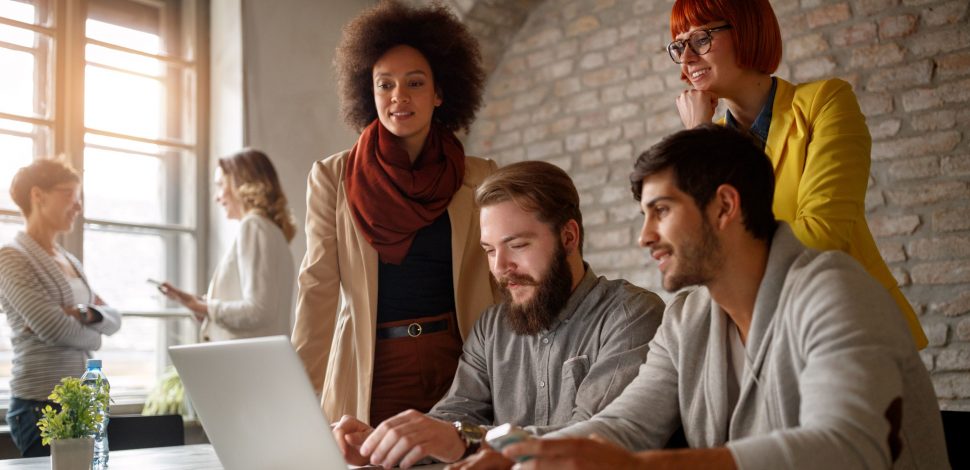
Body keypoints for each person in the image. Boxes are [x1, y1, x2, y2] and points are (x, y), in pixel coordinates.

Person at [492, 126, 949, 470]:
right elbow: (625, 427)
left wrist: (641, 468)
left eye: (662, 212)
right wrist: (516, 453)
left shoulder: (834, 291)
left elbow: (848, 446)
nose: (645, 237)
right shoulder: (684, 322)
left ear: (725, 206)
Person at [330, 161, 665, 469]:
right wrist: (382, 445)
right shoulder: (491, 328)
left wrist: (467, 439)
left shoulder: (631, 315)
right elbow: (451, 420)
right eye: (490, 251)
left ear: (568, 238)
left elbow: (592, 437)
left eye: (517, 245)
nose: (500, 268)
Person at [667, 0, 926, 348]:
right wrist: (699, 139)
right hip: (759, 343)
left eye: (700, 39)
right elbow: (696, 252)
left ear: (746, 31)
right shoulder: (706, 139)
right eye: (679, 46)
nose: (686, 59)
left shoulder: (825, 102)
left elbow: (822, 234)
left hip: (851, 331)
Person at [292, 1, 499, 426]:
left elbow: (501, 281)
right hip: (372, 366)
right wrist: (296, 390)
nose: (398, 97)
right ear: (369, 93)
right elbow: (318, 286)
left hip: (464, 365)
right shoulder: (333, 177)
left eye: (415, 83)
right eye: (384, 84)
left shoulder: (481, 177)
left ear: (440, 93)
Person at [0, 158, 122, 457]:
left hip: (81, 402)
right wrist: (94, 334)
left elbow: (114, 319)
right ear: (38, 196)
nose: (78, 207)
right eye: (70, 195)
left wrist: (83, 313)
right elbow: (54, 329)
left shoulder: (70, 261)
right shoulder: (12, 257)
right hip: (39, 406)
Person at [159, 149, 296, 342]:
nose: (217, 197)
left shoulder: (253, 226)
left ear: (241, 184)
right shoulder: (271, 230)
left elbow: (258, 311)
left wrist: (201, 306)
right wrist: (200, 306)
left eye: (220, 185)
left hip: (250, 364)